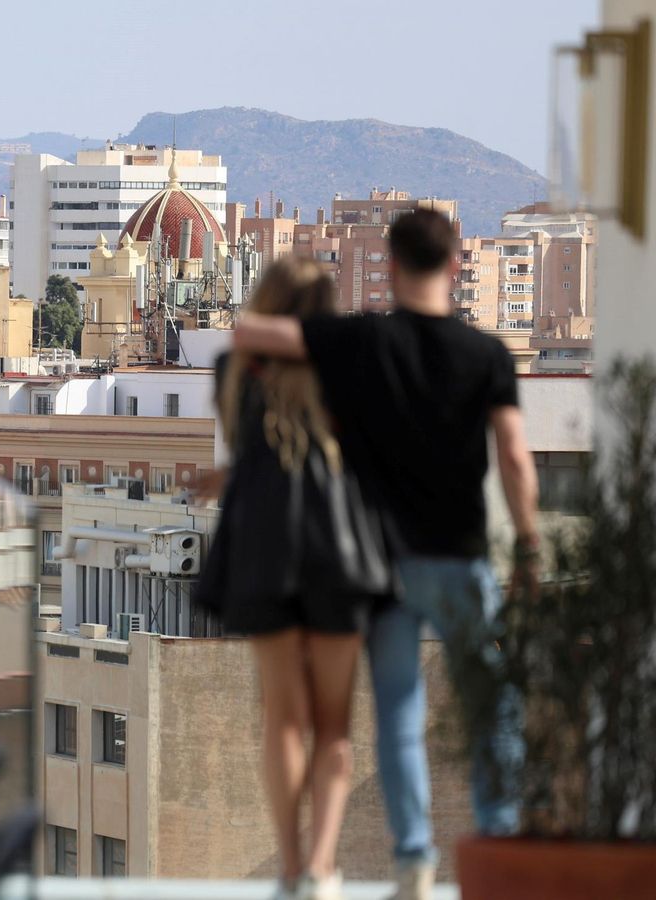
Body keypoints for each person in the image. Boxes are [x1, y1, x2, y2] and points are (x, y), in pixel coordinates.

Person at [235, 208, 538, 900]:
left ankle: (414, 861)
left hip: (387, 566)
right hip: (462, 560)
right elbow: (516, 459)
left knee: (398, 717)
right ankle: (501, 833)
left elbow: (253, 330)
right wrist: (528, 544)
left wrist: (273, 353)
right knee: (492, 705)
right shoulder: (486, 354)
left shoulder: (362, 342)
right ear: (458, 265)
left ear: (392, 267)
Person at [195, 257, 393, 900]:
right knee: (334, 723)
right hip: (339, 551)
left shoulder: (234, 371)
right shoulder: (351, 371)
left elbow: (257, 451)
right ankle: (322, 868)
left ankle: (287, 867)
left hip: (263, 551)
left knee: (282, 717)